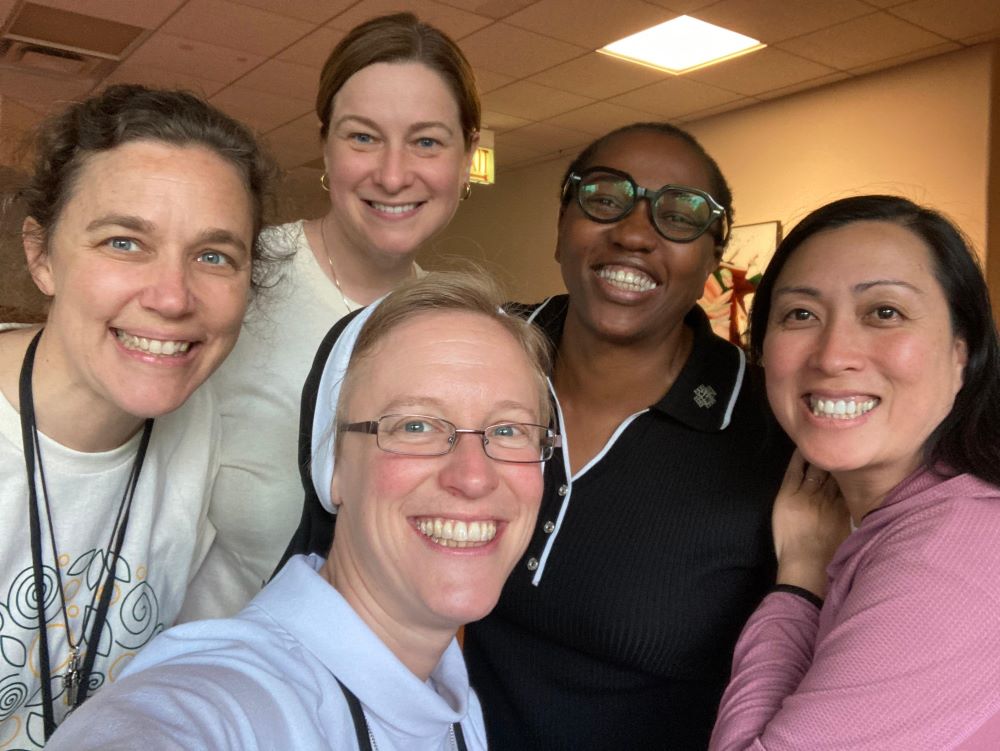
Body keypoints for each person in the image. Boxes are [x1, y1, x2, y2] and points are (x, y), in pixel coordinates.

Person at [288, 122, 795, 749]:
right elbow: (323, 559)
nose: (635, 233)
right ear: (562, 223)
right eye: (605, 198)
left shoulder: (769, 432)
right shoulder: (477, 357)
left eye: (682, 215)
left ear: (714, 256)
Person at [46, 271, 556, 751]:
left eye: (509, 430)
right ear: (334, 466)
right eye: (416, 426)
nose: (472, 476)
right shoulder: (231, 700)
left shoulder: (454, 696)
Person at [179, 12, 481, 621]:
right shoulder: (239, 277)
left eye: (427, 141)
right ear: (325, 145)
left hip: (365, 689)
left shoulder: (447, 330)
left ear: (468, 153)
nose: (393, 175)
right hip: (209, 677)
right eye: (362, 137)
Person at [0, 83, 277, 748]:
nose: (173, 297)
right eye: (124, 242)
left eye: (214, 255)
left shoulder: (201, 418)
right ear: (42, 256)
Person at [710, 195, 1000, 750]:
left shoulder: (955, 552)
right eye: (800, 314)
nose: (832, 354)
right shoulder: (901, 518)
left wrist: (800, 580)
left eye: (884, 312)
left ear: (962, 351)